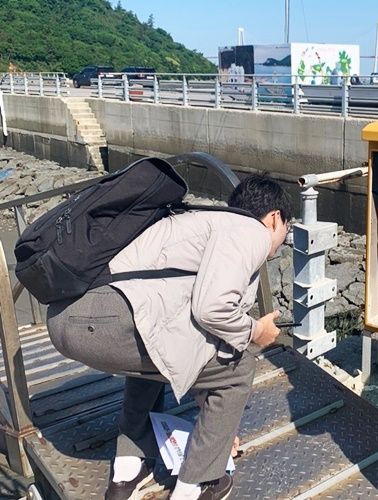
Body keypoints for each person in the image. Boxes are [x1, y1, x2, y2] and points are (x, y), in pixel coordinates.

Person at [46, 174, 293, 500]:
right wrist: (255, 332)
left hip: (65, 319)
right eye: (286, 230)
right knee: (239, 368)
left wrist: (217, 432)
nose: (282, 239)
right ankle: (197, 484)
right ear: (275, 217)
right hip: (111, 316)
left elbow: (191, 338)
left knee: (158, 346)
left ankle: (127, 470)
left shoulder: (202, 222)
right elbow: (211, 309)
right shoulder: (251, 232)